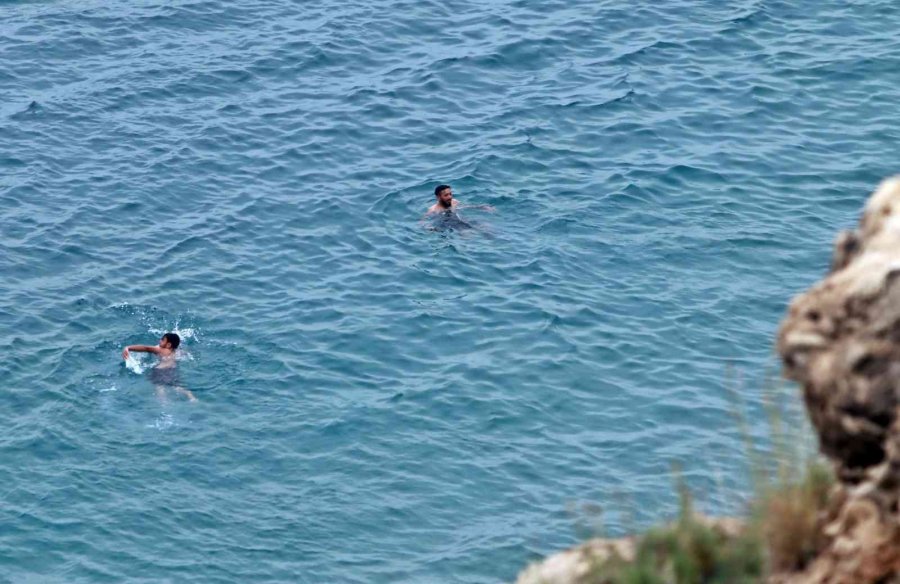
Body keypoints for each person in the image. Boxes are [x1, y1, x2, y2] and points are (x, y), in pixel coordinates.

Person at [123, 333, 197, 402]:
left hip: (160, 371)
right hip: (172, 370)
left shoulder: (162, 350)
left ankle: (164, 403)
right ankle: (189, 395)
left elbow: (146, 348)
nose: (160, 341)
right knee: (176, 386)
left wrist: (128, 348)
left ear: (168, 345)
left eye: (162, 340)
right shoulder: (177, 352)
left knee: (159, 387)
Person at [425, 184, 495, 216]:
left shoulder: (454, 202)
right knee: (466, 233)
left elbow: (466, 207)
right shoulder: (433, 210)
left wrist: (482, 207)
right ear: (438, 197)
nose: (450, 197)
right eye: (446, 195)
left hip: (459, 220)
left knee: (485, 226)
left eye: (450, 194)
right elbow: (423, 223)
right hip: (446, 224)